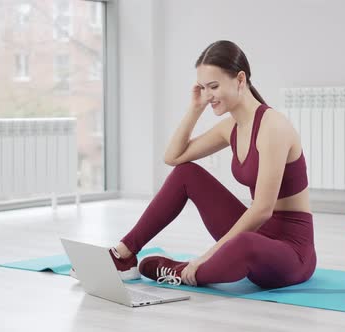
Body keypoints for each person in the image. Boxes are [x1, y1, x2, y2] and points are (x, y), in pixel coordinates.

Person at [99, 40, 315, 289]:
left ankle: (179, 271)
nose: (208, 94)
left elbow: (262, 210)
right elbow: (174, 158)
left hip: (291, 252)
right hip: (258, 235)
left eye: (213, 86)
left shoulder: (273, 127)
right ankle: (124, 254)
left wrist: (208, 255)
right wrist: (195, 108)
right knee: (186, 173)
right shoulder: (231, 127)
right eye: (203, 87)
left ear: (240, 79)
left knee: (244, 244)